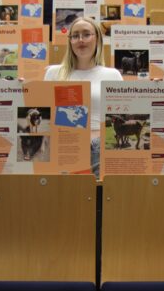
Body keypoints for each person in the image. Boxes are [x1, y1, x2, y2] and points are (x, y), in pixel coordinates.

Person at [43, 17, 122, 177]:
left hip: (101, 151)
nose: (80, 40)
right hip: (66, 148)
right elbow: (43, 110)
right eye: (75, 35)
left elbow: (121, 115)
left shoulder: (112, 75)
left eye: (86, 34)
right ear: (70, 41)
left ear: (98, 39)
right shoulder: (53, 73)